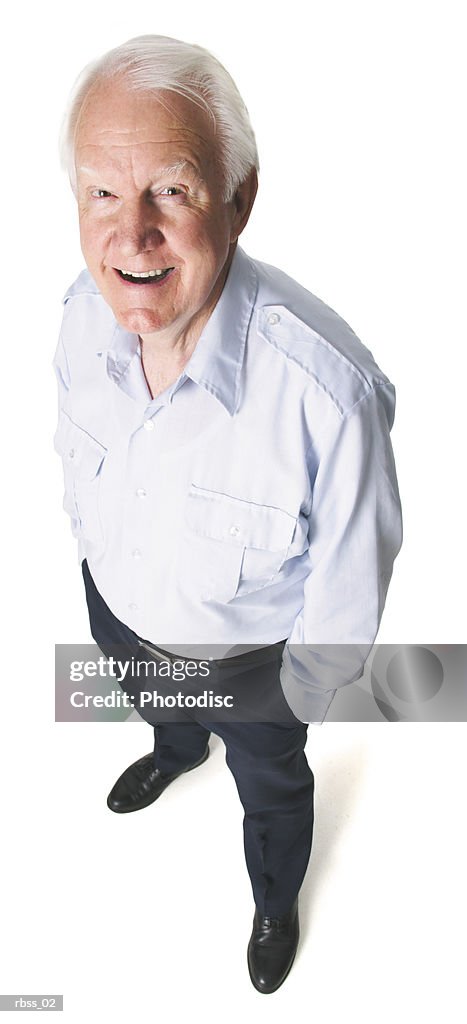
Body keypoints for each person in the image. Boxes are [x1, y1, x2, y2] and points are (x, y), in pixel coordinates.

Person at [54, 34, 402, 994]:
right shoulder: (80, 317)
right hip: (116, 610)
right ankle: (173, 747)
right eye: (101, 194)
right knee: (155, 702)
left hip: (251, 670)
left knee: (273, 790)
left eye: (170, 189)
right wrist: (103, 585)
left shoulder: (330, 396)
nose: (132, 237)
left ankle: (274, 895)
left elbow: (350, 583)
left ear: (239, 197)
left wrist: (296, 694)